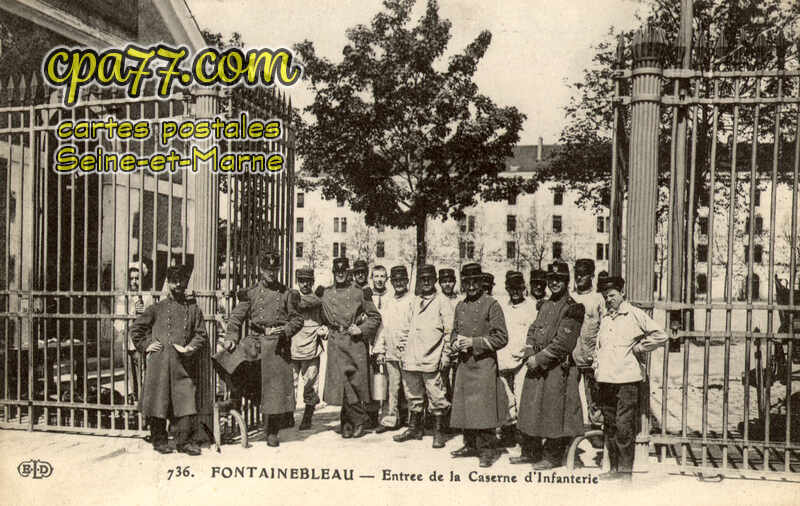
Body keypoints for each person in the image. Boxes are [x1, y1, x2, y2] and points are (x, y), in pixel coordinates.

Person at [215, 251, 304, 447]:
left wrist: (286, 331)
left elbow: (298, 319)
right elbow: (236, 318)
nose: (271, 273)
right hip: (255, 341)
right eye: (267, 270)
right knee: (228, 359)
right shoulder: (252, 293)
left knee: (274, 387)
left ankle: (271, 429)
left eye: (274, 270)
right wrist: (231, 338)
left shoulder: (287, 293)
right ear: (260, 270)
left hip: (277, 343)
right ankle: (235, 399)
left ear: (278, 270)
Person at [595, 276, 667, 480]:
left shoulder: (634, 314)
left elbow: (660, 335)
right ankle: (614, 469)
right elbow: (600, 346)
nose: (609, 300)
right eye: (605, 296)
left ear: (622, 294)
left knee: (624, 427)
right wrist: (596, 365)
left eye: (612, 295)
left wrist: (640, 347)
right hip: (606, 381)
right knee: (610, 426)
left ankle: (625, 472)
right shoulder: (606, 318)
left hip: (627, 381)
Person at [130, 265, 207, 456]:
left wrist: (190, 348)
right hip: (159, 364)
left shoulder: (194, 310)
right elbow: (136, 329)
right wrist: (147, 344)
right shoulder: (157, 308)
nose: (178, 284)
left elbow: (201, 334)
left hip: (183, 364)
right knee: (158, 402)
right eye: (174, 281)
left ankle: (185, 442)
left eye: (182, 281)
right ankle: (159, 440)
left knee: (185, 401)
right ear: (168, 283)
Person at [517, 261, 585, 469]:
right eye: (551, 279)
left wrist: (538, 359)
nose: (554, 283)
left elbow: (563, 344)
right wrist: (529, 352)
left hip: (556, 369)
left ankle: (553, 456)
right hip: (536, 366)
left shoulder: (573, 308)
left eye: (559, 279)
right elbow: (532, 330)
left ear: (566, 281)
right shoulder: (545, 305)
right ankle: (531, 451)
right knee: (530, 409)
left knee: (554, 412)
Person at [449, 263, 509, 468]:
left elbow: (501, 338)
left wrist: (474, 343)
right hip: (465, 365)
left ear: (482, 283)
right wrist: (455, 343)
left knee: (483, 409)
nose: (471, 286)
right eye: (467, 282)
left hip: (484, 365)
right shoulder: (460, 306)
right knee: (466, 407)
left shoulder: (492, 304)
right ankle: (470, 444)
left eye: (475, 282)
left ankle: (486, 450)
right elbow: (454, 333)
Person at [320, 257, 382, 438]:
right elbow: (311, 306)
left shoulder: (360, 292)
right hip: (335, 341)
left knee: (353, 381)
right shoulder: (326, 293)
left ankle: (349, 422)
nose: (340, 275)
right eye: (337, 272)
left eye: (343, 272)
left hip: (354, 342)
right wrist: (321, 326)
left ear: (348, 273)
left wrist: (361, 329)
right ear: (333, 272)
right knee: (342, 381)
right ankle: (358, 419)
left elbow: (375, 318)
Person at [394, 265, 452, 448]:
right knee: (413, 394)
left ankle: (438, 432)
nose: (426, 282)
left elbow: (450, 331)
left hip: (432, 357)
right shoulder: (414, 301)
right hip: (412, 356)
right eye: (422, 279)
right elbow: (405, 327)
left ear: (435, 280)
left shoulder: (442, 301)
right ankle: (414, 428)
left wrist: (446, 355)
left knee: (436, 395)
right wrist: (402, 349)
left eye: (429, 278)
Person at [497, 271, 537, 450]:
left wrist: (528, 352)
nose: (515, 292)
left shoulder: (532, 307)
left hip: (522, 359)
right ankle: (508, 432)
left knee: (522, 397)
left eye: (518, 288)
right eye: (511, 289)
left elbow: (535, 332)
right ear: (507, 289)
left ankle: (525, 436)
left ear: (524, 288)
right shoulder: (501, 307)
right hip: (504, 358)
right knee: (506, 397)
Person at [373, 265, 412, 432]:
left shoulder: (413, 301)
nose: (399, 284)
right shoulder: (388, 302)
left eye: (402, 280)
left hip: (409, 353)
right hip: (391, 352)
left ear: (407, 281)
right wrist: (380, 350)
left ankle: (414, 421)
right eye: (395, 281)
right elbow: (383, 327)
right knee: (392, 388)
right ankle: (390, 419)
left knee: (410, 387)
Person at [571, 259, 606, 438]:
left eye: (583, 274)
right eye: (576, 273)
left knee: (595, 397)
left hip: (591, 357)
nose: (579, 277)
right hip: (571, 356)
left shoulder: (598, 299)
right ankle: (571, 434)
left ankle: (597, 433)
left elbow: (605, 327)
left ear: (592, 275)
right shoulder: (570, 298)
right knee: (570, 396)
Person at [292, 267, 329, 430]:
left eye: (308, 281)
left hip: (312, 346)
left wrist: (324, 329)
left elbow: (326, 319)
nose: (305, 284)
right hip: (293, 345)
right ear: (297, 281)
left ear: (312, 282)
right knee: (290, 383)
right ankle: (288, 415)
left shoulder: (319, 300)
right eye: (301, 281)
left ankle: (307, 415)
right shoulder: (292, 298)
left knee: (310, 383)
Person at [438, 268, 459, 402]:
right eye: (444, 282)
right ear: (439, 283)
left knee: (457, 382)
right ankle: (441, 418)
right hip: (441, 349)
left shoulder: (460, 300)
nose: (447, 284)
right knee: (441, 384)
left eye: (450, 281)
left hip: (457, 347)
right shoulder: (437, 301)